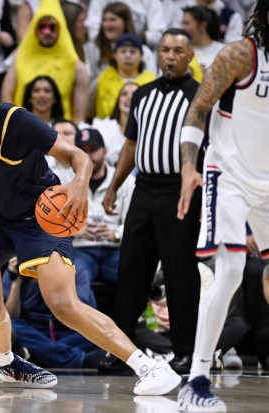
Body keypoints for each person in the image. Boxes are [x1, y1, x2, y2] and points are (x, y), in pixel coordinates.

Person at [0, 55, 180, 395]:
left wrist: (79, 186)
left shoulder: (18, 120)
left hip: (40, 219)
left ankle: (151, 367)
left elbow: (78, 157)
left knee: (63, 304)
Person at [176, 2, 269, 410]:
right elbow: (197, 111)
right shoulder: (240, 54)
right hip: (227, 173)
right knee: (230, 268)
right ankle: (195, 381)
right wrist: (188, 167)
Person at [100, 28, 202, 375]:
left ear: (190, 57)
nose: (170, 56)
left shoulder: (202, 96)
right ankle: (121, 350)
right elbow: (130, 146)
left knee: (180, 273)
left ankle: (185, 352)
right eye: (164, 50)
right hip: (144, 189)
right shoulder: (142, 95)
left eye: (177, 50)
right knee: (131, 271)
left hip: (180, 192)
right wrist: (114, 186)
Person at [73, 128, 134, 309]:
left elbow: (133, 220)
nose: (88, 155)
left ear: (105, 151)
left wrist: (115, 233)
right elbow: (51, 221)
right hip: (80, 248)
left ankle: (130, 327)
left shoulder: (125, 180)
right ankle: (88, 333)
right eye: (82, 150)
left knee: (133, 272)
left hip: (114, 248)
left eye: (93, 149)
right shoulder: (65, 179)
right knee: (76, 275)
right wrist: (74, 231)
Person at [1, 0, 88, 124]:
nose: (47, 32)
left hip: (61, 130)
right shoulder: (19, 58)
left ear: (60, 29)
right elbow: (6, 96)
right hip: (23, 127)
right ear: (35, 29)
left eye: (52, 27)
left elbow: (80, 116)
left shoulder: (77, 66)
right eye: (42, 27)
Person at [92, 33, 155, 119]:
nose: (127, 56)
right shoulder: (103, 78)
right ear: (114, 55)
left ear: (141, 56)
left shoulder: (152, 81)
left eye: (133, 52)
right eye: (123, 51)